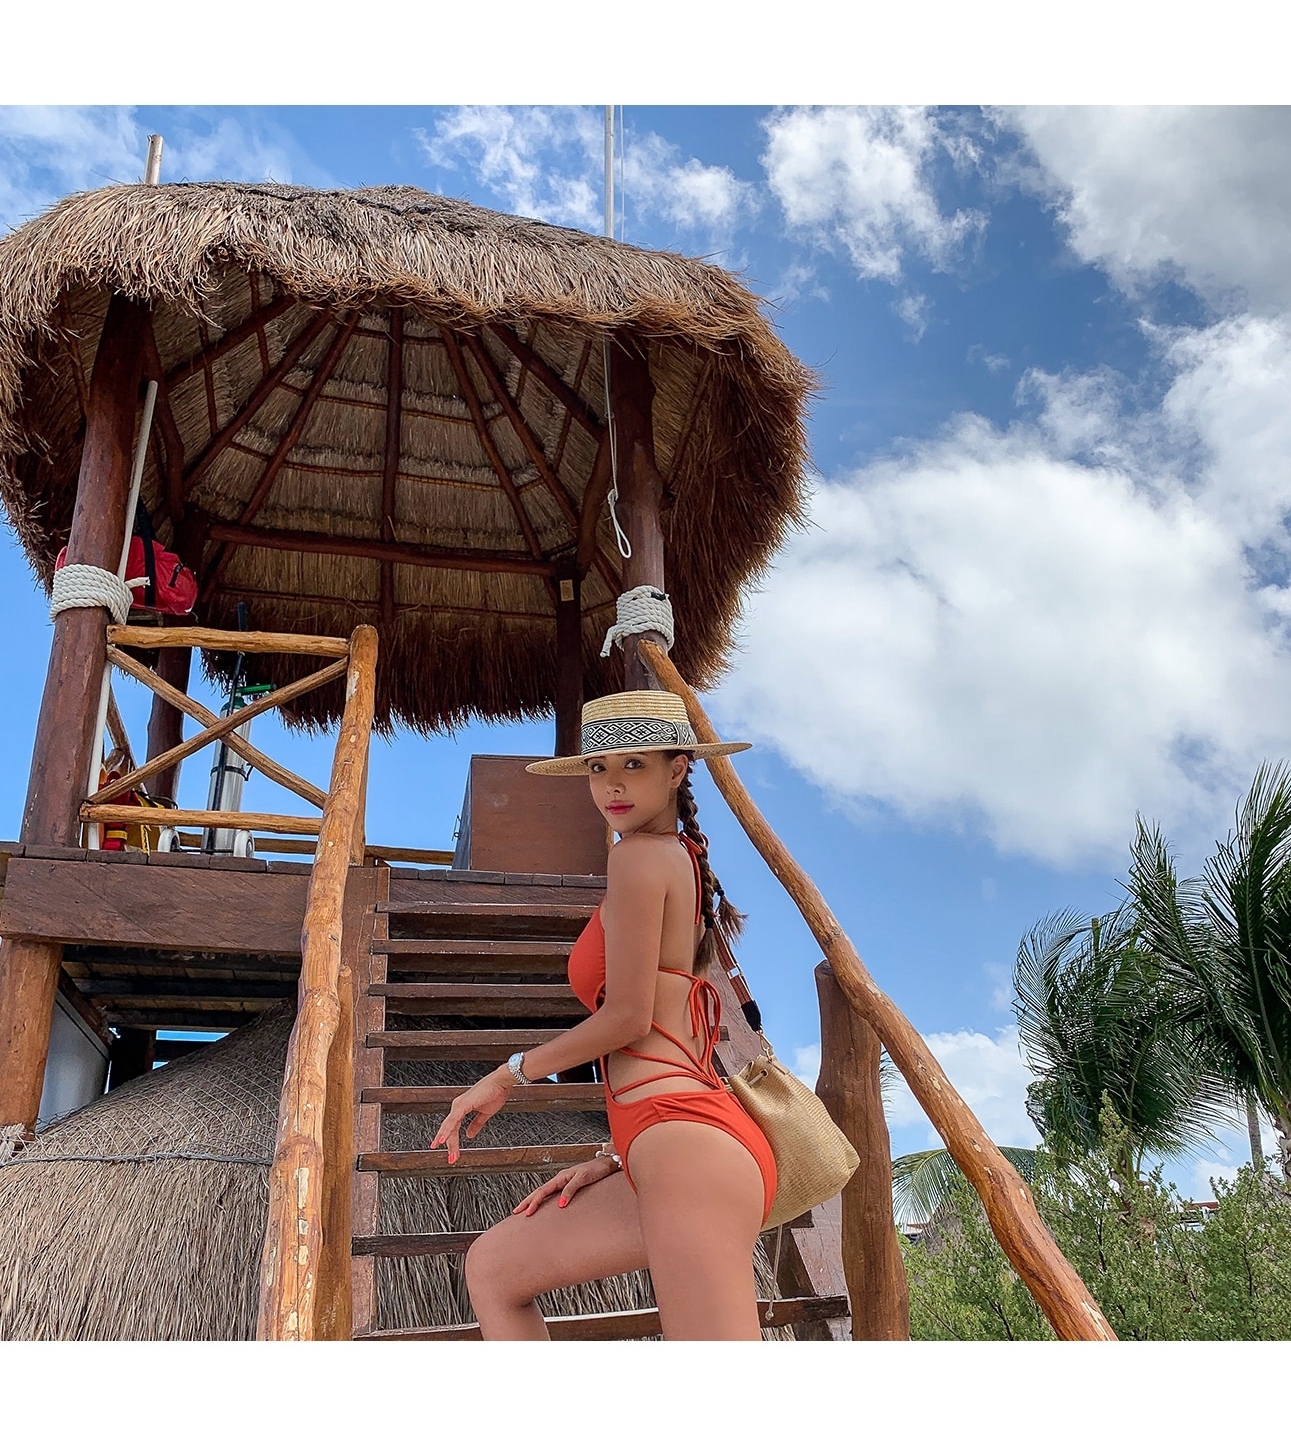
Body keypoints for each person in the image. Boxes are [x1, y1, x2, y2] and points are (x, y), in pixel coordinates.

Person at [431, 690, 777, 1340]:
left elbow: (628, 1017)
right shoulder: (672, 856)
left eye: (633, 765)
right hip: (661, 1140)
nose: (612, 784)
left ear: (677, 769)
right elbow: (671, 1026)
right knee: (495, 1269)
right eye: (598, 767)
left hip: (683, 1144)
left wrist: (506, 1075)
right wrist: (619, 1154)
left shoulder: (639, 857)